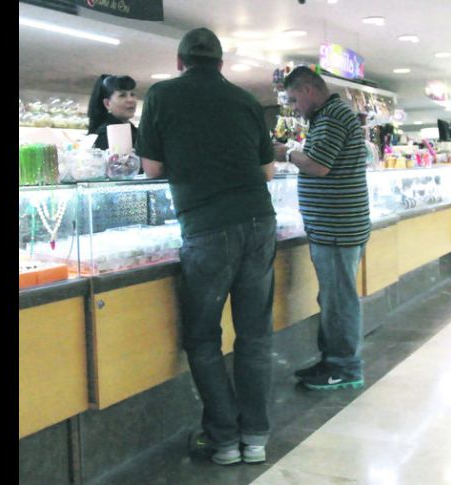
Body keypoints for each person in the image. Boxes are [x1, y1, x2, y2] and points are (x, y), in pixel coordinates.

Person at [136, 27, 277, 466]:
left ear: (180, 62)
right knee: (254, 336)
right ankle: (255, 438)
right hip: (260, 222)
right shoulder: (246, 100)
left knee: (202, 338)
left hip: (207, 226)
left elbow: (152, 169)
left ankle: (224, 440)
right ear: (221, 64)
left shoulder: (161, 95)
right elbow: (268, 172)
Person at [272, 66, 371, 392]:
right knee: (333, 298)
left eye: (294, 99)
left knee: (339, 301)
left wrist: (287, 153)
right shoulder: (331, 115)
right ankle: (332, 361)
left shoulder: (330, 118)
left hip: (337, 229)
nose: (294, 107)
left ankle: (344, 368)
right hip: (337, 226)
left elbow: (319, 166)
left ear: (308, 90)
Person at [87, 74, 138, 151]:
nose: (130, 100)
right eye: (122, 95)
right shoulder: (106, 134)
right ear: (107, 103)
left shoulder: (133, 130)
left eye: (132, 94)